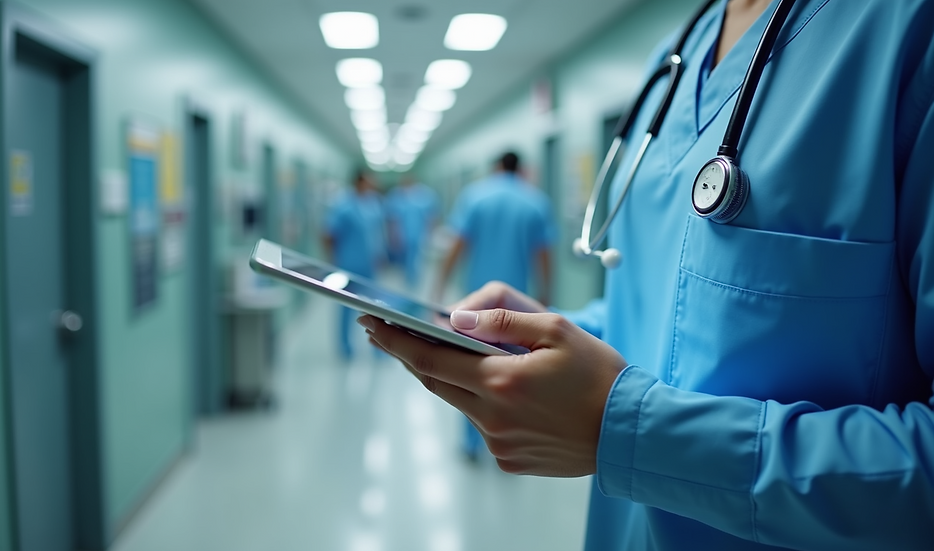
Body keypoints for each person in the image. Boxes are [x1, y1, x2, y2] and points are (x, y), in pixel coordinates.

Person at [358, 0, 934, 549]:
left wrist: (631, 432)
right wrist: (559, 330)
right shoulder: (674, 61)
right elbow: (660, 307)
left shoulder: (908, 31)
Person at [435, 151, 556, 460]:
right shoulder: (535, 201)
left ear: (497, 166)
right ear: (520, 168)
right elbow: (543, 254)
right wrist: (545, 293)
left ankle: (472, 441)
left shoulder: (475, 196)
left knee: (474, 369)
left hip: (476, 304)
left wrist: (440, 283)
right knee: (514, 371)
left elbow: (458, 245)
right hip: (518, 305)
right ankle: (511, 444)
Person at [322, 169, 386, 361]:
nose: (372, 184)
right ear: (358, 181)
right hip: (348, 264)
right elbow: (328, 234)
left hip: (370, 265)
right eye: (368, 181)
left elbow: (377, 233)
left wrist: (380, 253)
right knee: (346, 306)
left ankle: (379, 346)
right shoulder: (343, 205)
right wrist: (333, 260)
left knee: (373, 307)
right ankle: (345, 347)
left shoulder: (374, 203)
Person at [384, 174, 440, 290]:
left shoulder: (425, 195)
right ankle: (407, 286)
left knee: (418, 263)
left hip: (420, 235)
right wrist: (392, 237)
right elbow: (391, 219)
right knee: (403, 266)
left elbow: (432, 216)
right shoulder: (395, 195)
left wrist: (431, 234)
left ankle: (414, 286)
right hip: (402, 237)